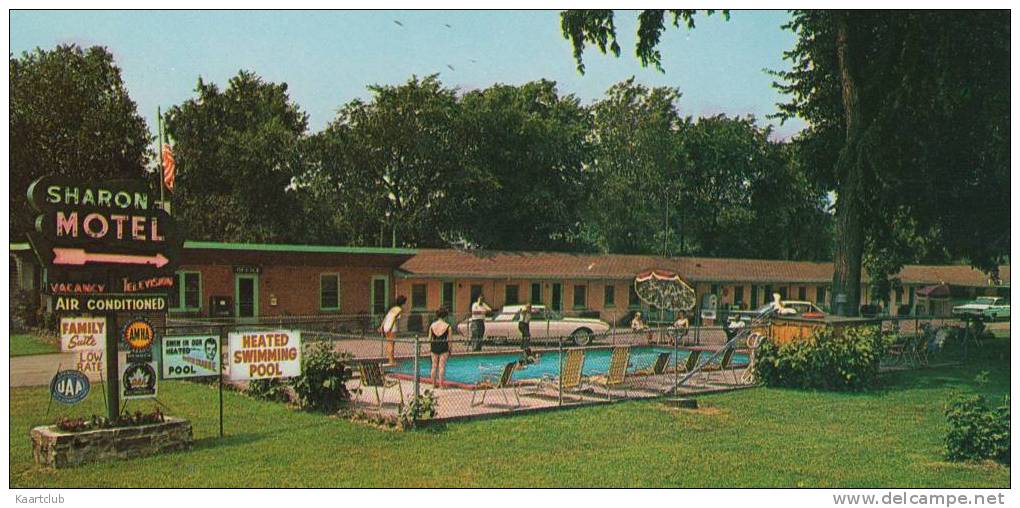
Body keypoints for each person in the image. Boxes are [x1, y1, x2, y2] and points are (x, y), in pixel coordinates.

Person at [428, 307, 452, 389]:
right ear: (445, 316)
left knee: (434, 366)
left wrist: (430, 348)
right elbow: (450, 340)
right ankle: (441, 385)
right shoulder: (448, 326)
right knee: (442, 366)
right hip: (443, 346)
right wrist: (450, 349)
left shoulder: (432, 325)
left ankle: (433, 384)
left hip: (434, 345)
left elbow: (429, 339)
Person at [381, 295, 406, 365]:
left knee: (389, 343)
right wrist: (391, 327)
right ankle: (391, 361)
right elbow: (394, 318)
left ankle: (390, 360)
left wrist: (381, 326)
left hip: (386, 326)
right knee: (391, 344)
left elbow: (386, 317)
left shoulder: (392, 308)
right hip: (391, 327)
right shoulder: (400, 309)